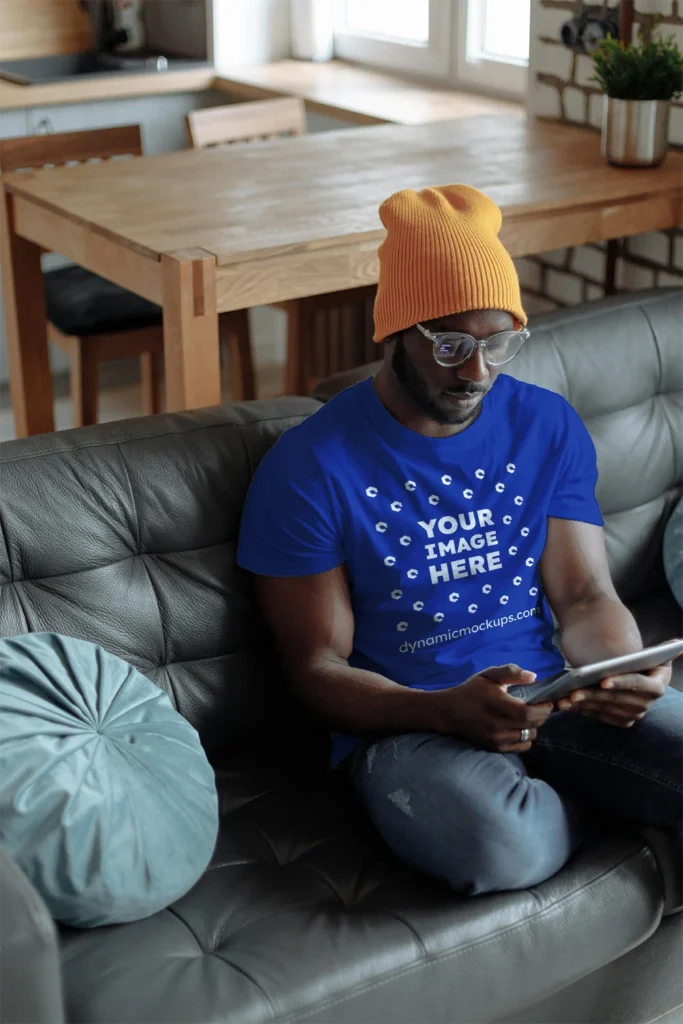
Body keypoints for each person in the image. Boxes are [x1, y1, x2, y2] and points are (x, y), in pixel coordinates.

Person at [237, 183, 681, 896]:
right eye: (449, 345)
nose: (476, 372)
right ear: (392, 334)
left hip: (553, 696)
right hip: (409, 725)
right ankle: (629, 804)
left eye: (497, 342)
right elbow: (317, 669)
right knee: (502, 848)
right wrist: (440, 707)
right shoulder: (308, 468)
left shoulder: (544, 423)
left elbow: (582, 593)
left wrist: (620, 671)